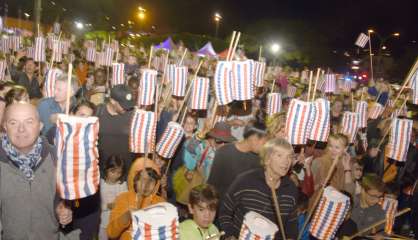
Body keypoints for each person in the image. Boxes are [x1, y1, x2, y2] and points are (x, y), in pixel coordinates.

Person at [0, 102, 72, 239]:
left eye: (29, 122)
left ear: (40, 126)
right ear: (5, 127)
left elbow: (63, 199)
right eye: (13, 123)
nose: (21, 129)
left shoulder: (57, 158)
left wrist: (62, 209)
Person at [218, 138, 299, 239]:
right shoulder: (245, 181)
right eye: (279, 155)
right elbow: (224, 212)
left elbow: (291, 228)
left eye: (289, 157)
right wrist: (230, 235)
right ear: (267, 159)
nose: (286, 161)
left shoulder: (291, 189)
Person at [107, 157, 165, 240]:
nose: (146, 185)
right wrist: (126, 217)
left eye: (151, 181)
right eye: (142, 179)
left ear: (156, 184)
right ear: (134, 180)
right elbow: (111, 233)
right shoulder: (122, 199)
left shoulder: (160, 203)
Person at [208, 123, 267, 198]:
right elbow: (212, 184)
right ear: (254, 139)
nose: (265, 146)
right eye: (264, 142)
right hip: (221, 204)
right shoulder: (224, 152)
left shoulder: (259, 159)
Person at [96, 84, 135, 174]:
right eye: (123, 105)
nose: (127, 107)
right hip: (104, 167)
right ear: (112, 101)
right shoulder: (98, 112)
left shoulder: (133, 114)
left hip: (125, 168)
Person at [99, 155, 127, 240]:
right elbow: (95, 206)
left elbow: (126, 201)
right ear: (106, 169)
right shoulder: (101, 184)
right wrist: (107, 206)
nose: (116, 175)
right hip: (103, 222)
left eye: (119, 173)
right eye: (112, 171)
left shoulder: (123, 185)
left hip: (117, 223)